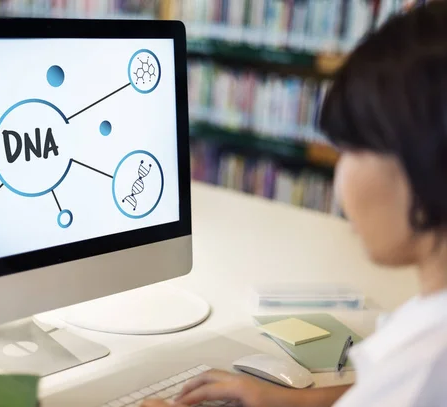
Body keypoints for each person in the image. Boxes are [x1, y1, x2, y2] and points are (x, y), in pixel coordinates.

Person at [142, 2, 447, 406]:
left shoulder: (424, 363)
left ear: (422, 160)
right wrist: (297, 402)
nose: (341, 179)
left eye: (351, 150)